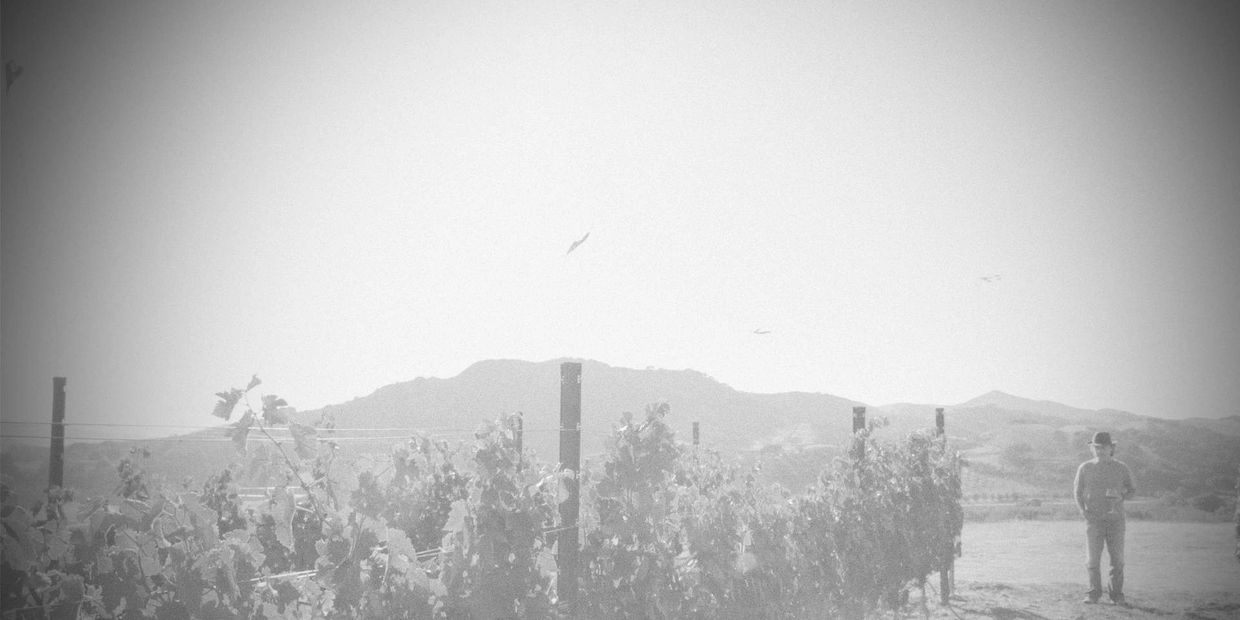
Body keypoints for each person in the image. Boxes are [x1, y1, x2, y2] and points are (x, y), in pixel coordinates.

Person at [1073, 431, 1136, 606]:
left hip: (1116, 521)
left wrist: (1122, 496)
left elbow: (1132, 490)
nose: (1100, 450)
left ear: (1111, 448)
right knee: (1092, 559)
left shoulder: (1121, 467)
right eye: (1097, 447)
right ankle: (1093, 593)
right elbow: (1077, 492)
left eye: (1104, 447)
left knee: (1117, 560)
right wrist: (1082, 511)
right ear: (1092, 448)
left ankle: (1117, 596)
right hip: (1093, 521)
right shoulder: (1085, 468)